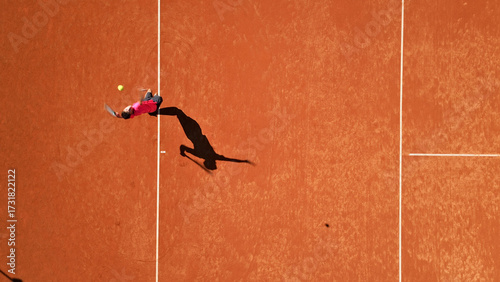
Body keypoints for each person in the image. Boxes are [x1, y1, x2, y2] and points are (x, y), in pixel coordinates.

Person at [158, 107, 252, 170]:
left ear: (210, 162)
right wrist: (182, 152)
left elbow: (228, 159)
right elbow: (183, 147)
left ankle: (154, 111)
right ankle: (155, 111)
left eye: (214, 164)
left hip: (193, 129)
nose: (215, 162)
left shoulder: (212, 156)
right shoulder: (200, 155)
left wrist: (244, 161)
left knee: (177, 111)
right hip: (193, 131)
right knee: (178, 112)